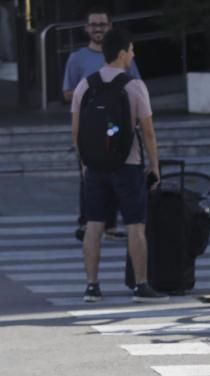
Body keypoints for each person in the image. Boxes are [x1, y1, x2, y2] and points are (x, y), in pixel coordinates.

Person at [71, 28, 164, 303]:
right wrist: (154, 166)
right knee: (136, 226)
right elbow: (148, 132)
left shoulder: (85, 85)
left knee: (94, 225)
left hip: (94, 168)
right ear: (122, 53)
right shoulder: (134, 86)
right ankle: (141, 286)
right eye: (132, 50)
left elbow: (76, 131)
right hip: (128, 164)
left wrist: (85, 163)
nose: (133, 55)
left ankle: (92, 286)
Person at [64, 7, 141, 241]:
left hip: (118, 126)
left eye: (102, 24)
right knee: (89, 176)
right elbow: (68, 93)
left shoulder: (123, 55)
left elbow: (136, 86)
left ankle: (110, 224)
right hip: (90, 127)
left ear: (110, 27)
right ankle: (87, 222)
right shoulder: (77, 58)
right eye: (94, 25)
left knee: (118, 173)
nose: (98, 29)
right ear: (86, 28)